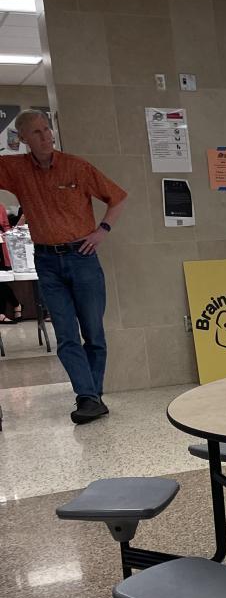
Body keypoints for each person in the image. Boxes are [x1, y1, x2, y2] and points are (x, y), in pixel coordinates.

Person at [0, 110, 127, 423]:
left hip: (81, 258)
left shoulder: (76, 167)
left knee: (93, 332)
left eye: (47, 129)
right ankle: (87, 396)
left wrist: (102, 231)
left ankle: (93, 396)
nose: (46, 137)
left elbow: (117, 197)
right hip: (46, 261)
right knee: (67, 335)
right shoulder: (16, 169)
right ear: (23, 139)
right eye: (37, 132)